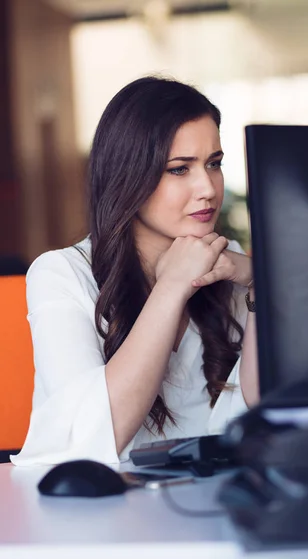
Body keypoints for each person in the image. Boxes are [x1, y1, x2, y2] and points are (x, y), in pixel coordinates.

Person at [11, 76, 259, 466]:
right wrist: (173, 285)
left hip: (213, 504)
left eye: (214, 164)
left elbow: (256, 416)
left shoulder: (229, 263)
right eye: (180, 169)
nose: (208, 188)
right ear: (129, 175)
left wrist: (260, 285)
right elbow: (94, 438)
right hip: (94, 511)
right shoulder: (61, 273)